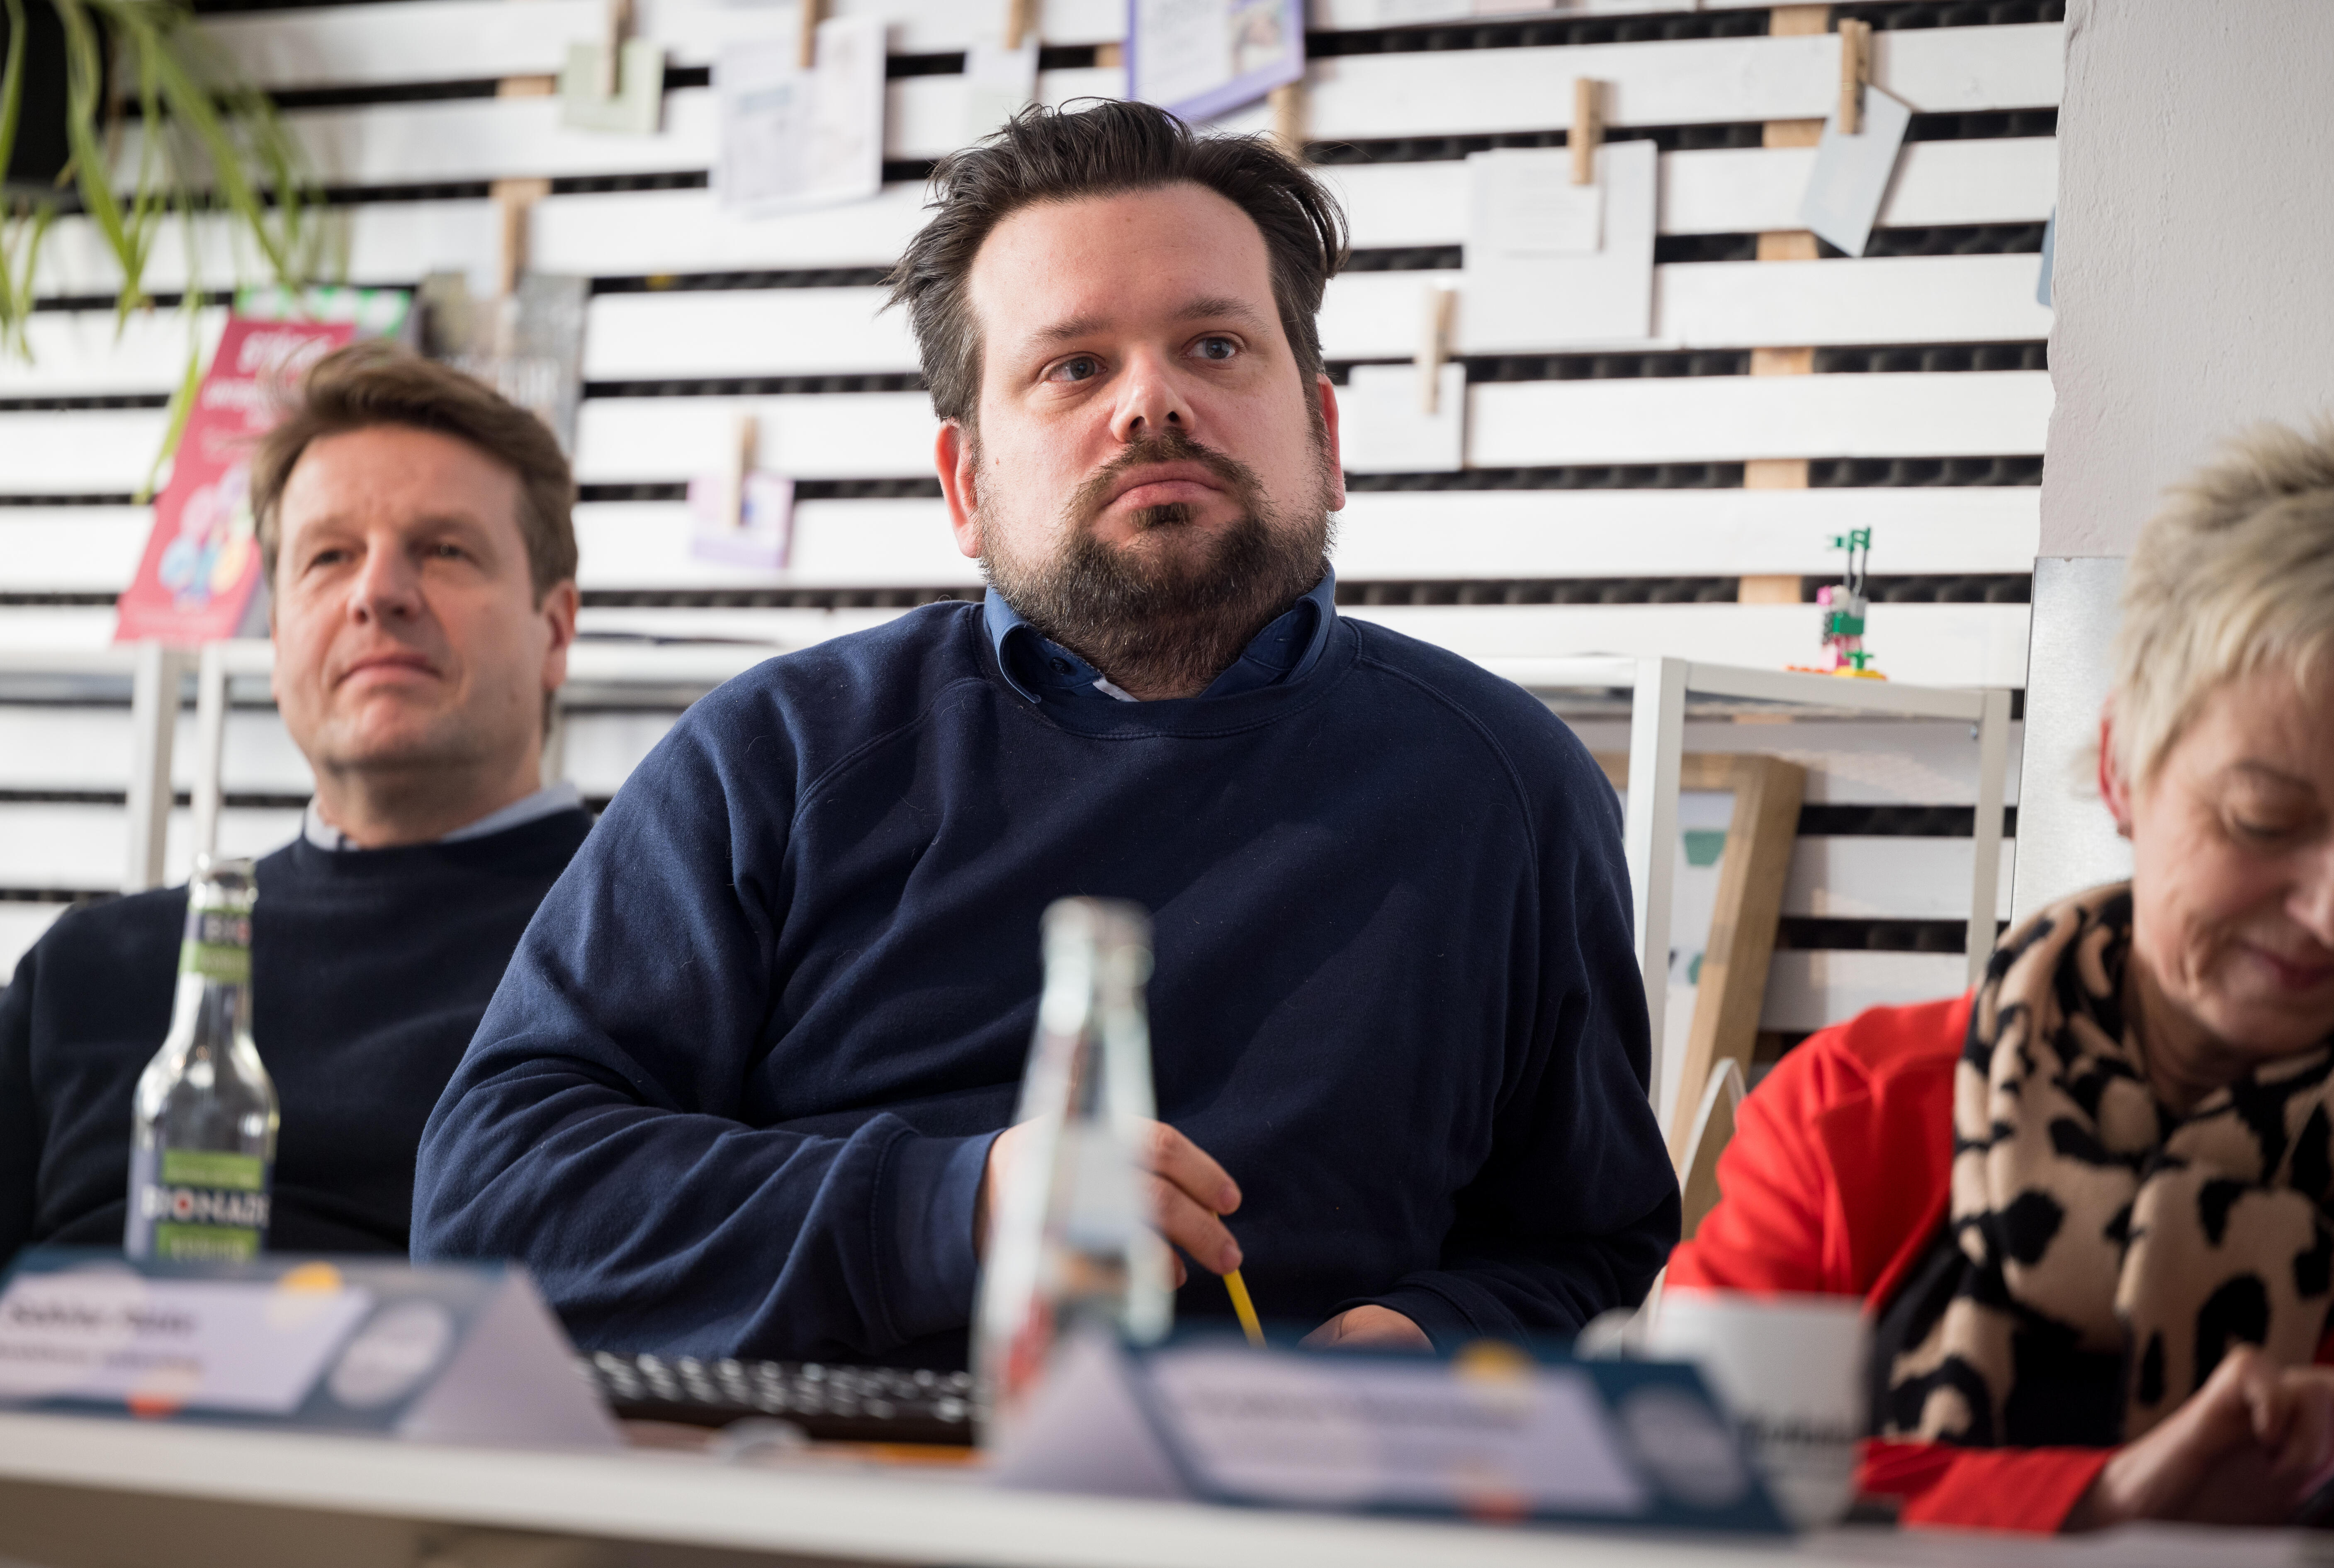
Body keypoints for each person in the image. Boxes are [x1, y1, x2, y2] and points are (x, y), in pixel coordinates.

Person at [411, 101, 1676, 1366]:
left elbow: (1589, 1245)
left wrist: (1435, 1331)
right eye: (1073, 366)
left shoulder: (1508, 786)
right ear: (964, 484)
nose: (1151, 404)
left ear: (1326, 439)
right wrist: (960, 1203)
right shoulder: (776, 760)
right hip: (831, 1502)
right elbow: (492, 1202)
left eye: (1216, 346)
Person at [1669, 420, 2334, 1531]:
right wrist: (2100, 1496)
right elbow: (1694, 1483)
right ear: (2119, 767)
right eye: (2262, 820)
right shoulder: (1854, 1117)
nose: (2331, 908)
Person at [0, 343, 590, 1259]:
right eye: (329, 556)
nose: (379, 594)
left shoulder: (666, 958)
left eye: (442, 549)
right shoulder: (85, 976)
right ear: (277, 635)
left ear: (554, 631)